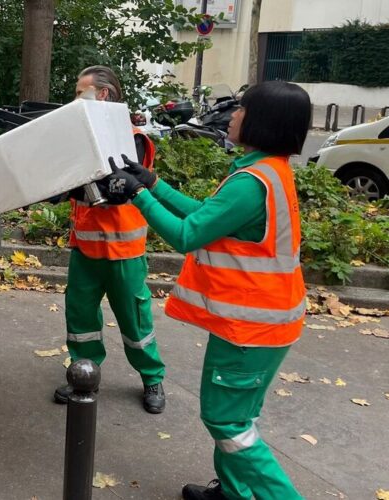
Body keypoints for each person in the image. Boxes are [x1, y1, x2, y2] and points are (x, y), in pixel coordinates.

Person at [101, 80, 311, 500]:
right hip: (259, 322)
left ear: (262, 122)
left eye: (241, 110)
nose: (233, 116)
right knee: (239, 417)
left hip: (250, 328)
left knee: (227, 423)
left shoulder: (253, 182)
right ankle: (232, 493)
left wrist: (137, 195)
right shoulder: (265, 171)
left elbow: (186, 234)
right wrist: (153, 184)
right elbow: (205, 215)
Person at [54, 65, 167, 415]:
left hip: (124, 250)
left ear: (102, 94)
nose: (75, 98)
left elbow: (116, 187)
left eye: (80, 91)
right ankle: (84, 374)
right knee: (81, 317)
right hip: (87, 249)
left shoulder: (129, 135)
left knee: (135, 321)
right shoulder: (83, 135)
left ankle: (152, 378)